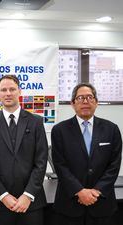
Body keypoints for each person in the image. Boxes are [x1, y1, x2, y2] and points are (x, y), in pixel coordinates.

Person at [51, 83, 122, 225]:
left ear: (96, 102)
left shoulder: (111, 129)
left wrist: (97, 191)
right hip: (69, 205)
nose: (85, 101)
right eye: (80, 98)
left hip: (102, 204)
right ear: (72, 103)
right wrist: (80, 191)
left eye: (90, 97)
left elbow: (114, 165)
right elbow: (60, 165)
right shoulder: (59, 130)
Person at [0, 75, 48, 225]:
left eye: (12, 89)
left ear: (19, 91)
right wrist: (3, 195)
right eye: (3, 90)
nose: (8, 93)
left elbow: (41, 162)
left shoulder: (36, 122)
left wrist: (28, 195)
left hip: (32, 202)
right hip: (2, 204)